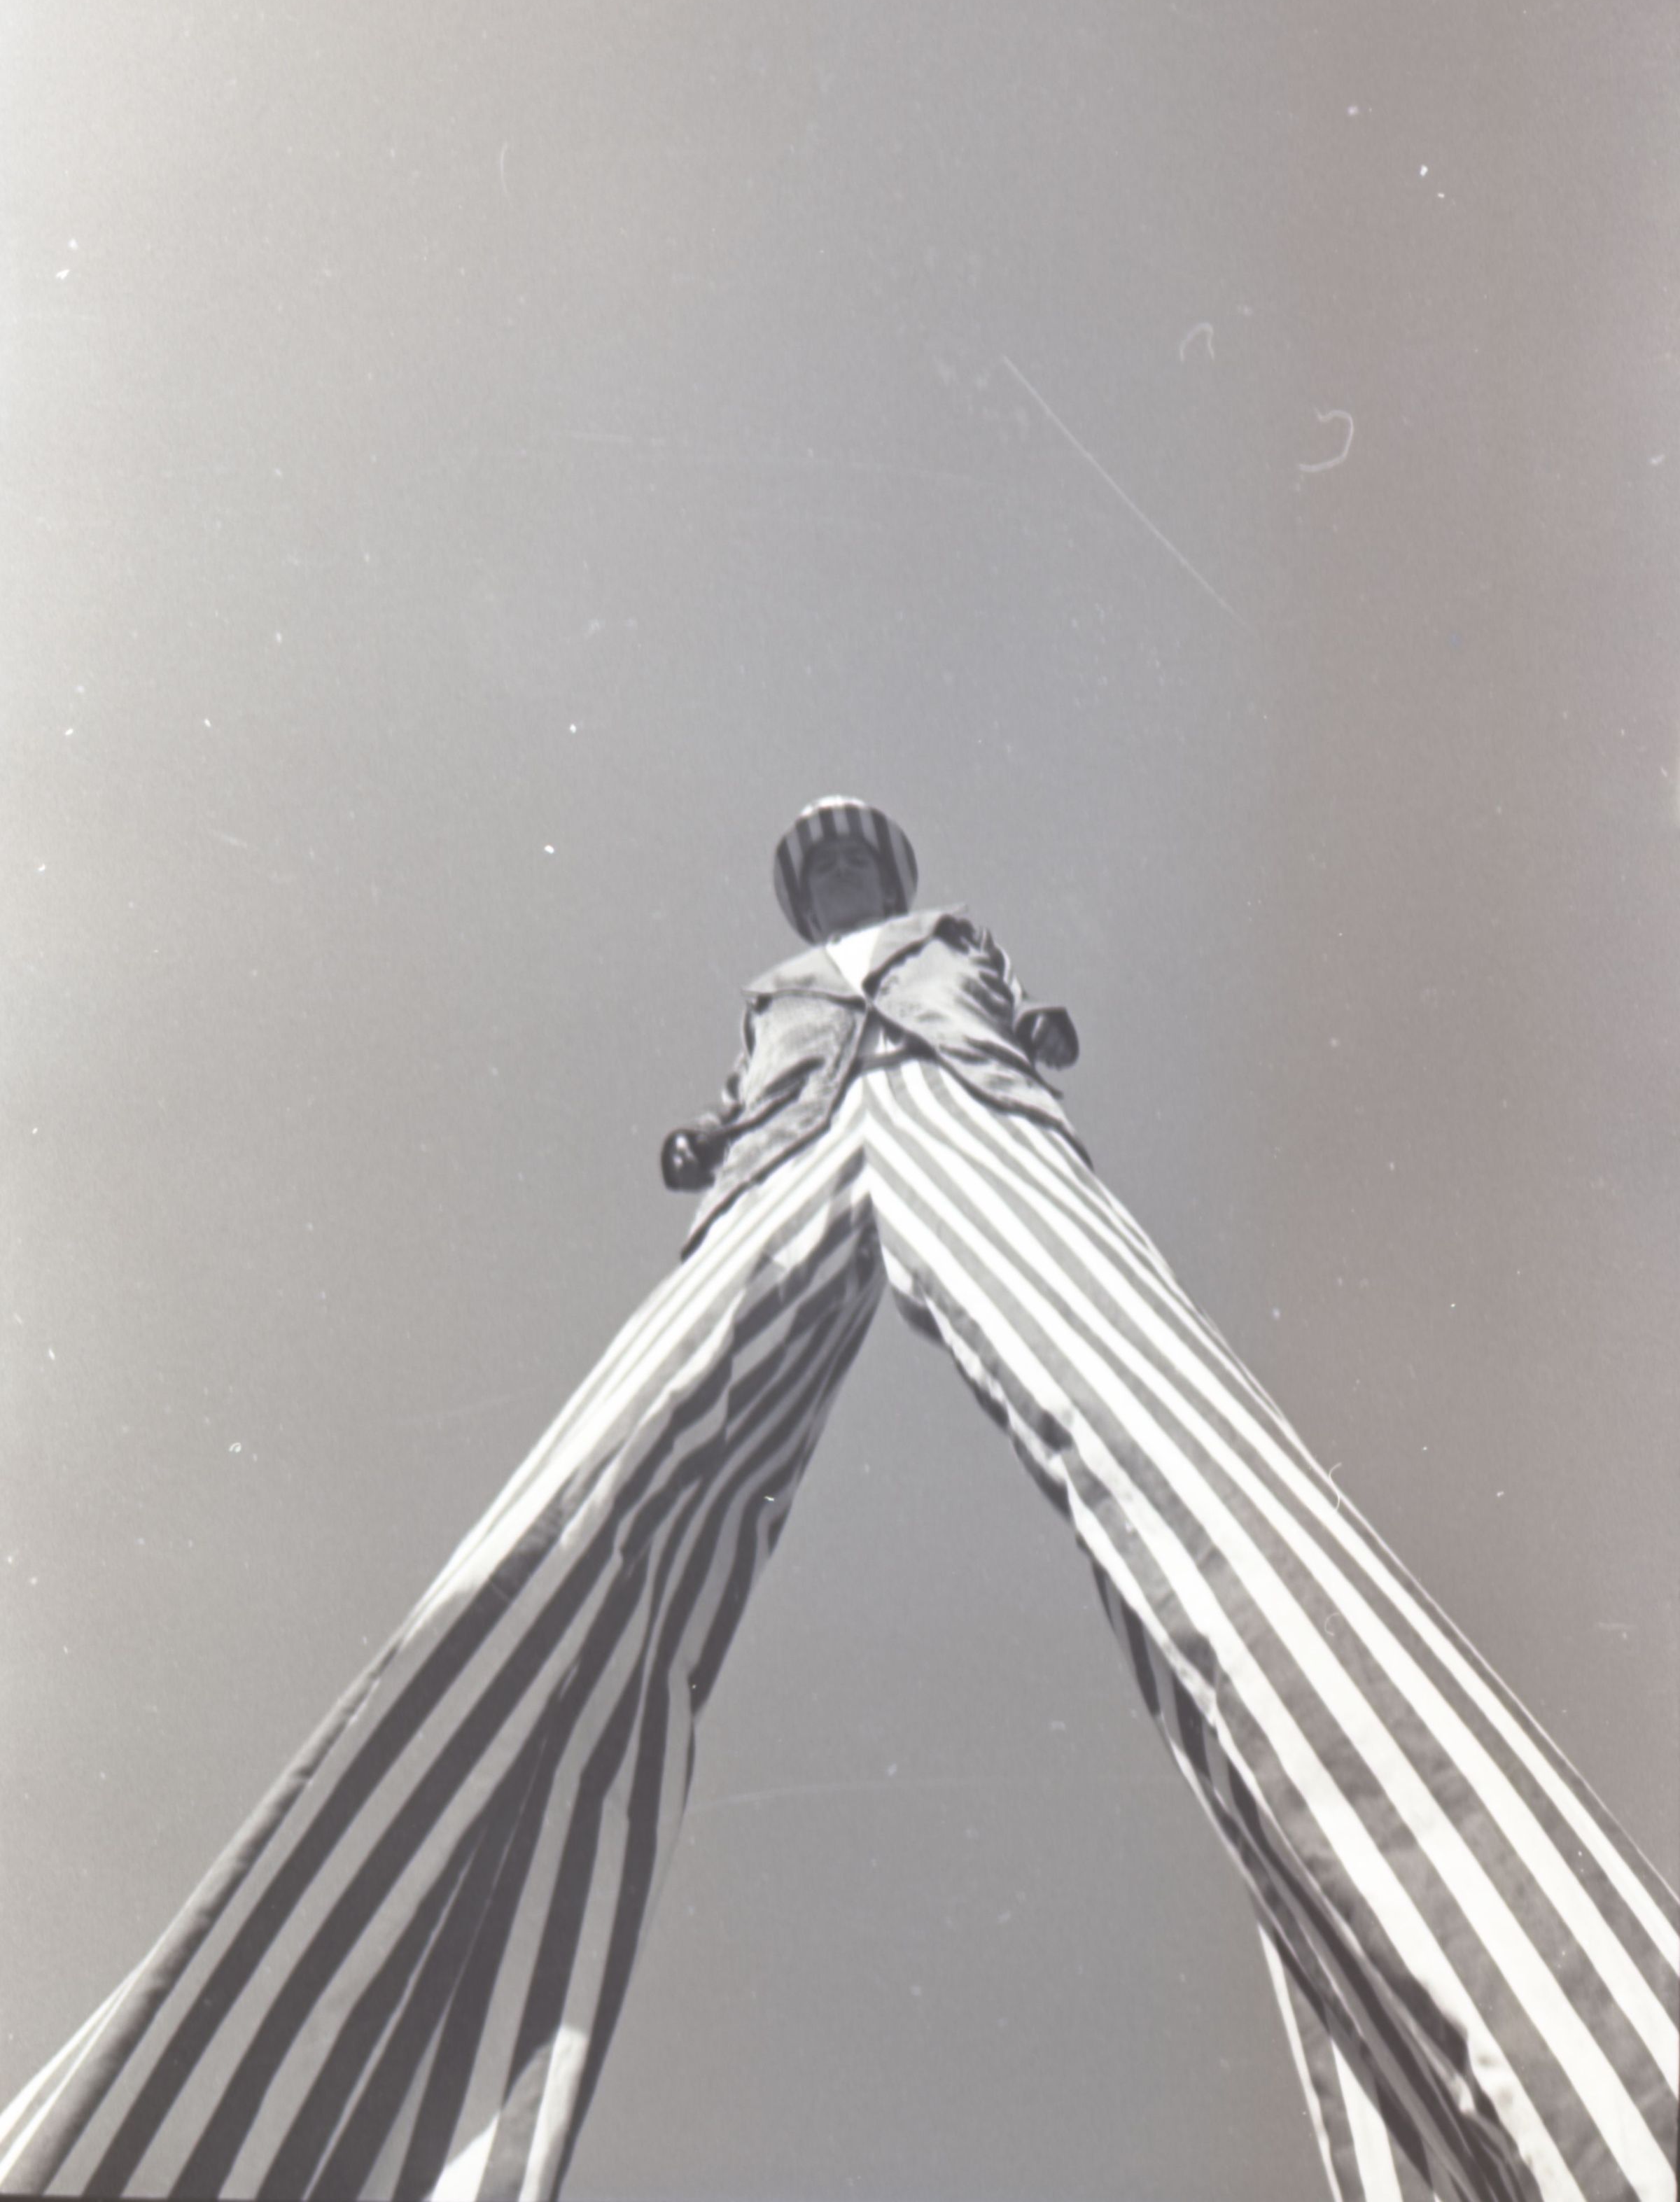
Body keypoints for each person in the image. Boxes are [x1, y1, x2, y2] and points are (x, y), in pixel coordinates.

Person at [2, 799, 1675, 2202]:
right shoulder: (770, 995)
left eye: (855, 863)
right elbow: (740, 1095)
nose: (843, 882)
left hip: (976, 1109)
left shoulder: (959, 940)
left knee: (1158, 1421)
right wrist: (708, 1139)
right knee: (583, 1511)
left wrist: (1035, 1038)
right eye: (824, 871)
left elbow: (1013, 1013)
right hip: (783, 1154)